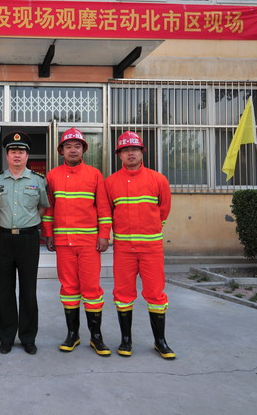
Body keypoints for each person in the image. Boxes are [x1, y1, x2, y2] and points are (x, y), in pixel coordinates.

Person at [42, 128, 113, 357]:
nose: (73, 150)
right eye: (68, 146)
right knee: (69, 289)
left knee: (91, 289)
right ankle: (73, 334)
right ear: (61, 151)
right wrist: (48, 234)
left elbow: (103, 208)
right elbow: (49, 209)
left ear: (83, 149)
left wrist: (104, 235)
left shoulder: (95, 175)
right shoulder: (52, 176)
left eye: (77, 146)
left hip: (88, 242)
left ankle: (96, 336)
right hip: (63, 243)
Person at [104, 131, 175, 359]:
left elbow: (164, 209)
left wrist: (150, 229)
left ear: (142, 152)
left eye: (134, 149)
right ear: (119, 155)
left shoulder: (158, 180)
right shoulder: (110, 183)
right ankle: (126, 340)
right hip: (124, 249)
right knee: (123, 294)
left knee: (155, 294)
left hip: (151, 248)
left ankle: (160, 341)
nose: (130, 153)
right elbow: (107, 213)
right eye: (125, 150)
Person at [0, 132, 50, 355]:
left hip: (28, 239)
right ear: (7, 155)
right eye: (13, 151)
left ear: (27, 155)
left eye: (21, 151)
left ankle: (28, 337)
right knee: (5, 290)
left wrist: (28, 222)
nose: (17, 155)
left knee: (28, 290)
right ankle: (6, 337)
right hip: (4, 239)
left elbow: (42, 207)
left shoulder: (38, 180)